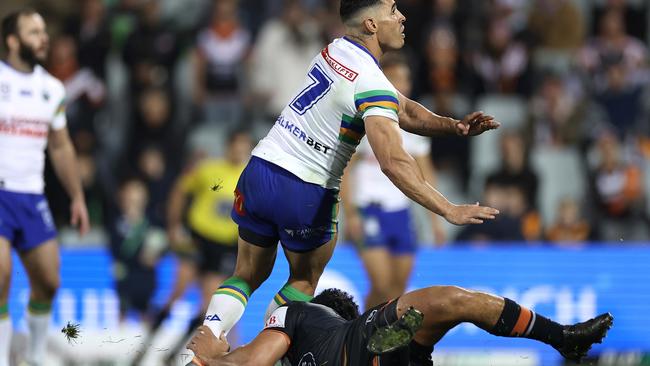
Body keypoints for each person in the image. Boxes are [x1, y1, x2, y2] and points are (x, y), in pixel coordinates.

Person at [192, 1, 500, 363]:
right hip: (306, 189)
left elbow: (404, 109)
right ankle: (256, 357)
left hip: (261, 169)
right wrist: (447, 208)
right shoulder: (371, 83)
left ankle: (206, 341)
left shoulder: (336, 50)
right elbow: (394, 162)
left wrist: (454, 126)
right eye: (393, 10)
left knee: (246, 273)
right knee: (303, 281)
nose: (401, 18)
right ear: (371, 23)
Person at [188, 287, 613, 366]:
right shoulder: (302, 317)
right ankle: (561, 338)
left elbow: (250, 361)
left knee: (434, 313)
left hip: (366, 348)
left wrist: (211, 355)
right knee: (456, 303)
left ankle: (564, 340)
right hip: (374, 346)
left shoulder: (296, 314)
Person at [0, 9, 90, 366]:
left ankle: (35, 356)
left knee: (50, 281)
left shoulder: (52, 88)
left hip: (31, 195)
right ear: (12, 40)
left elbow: (60, 145)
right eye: (33, 31)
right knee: (1, 275)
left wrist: (77, 196)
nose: (43, 37)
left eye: (43, 30)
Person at [132, 130, 252, 365]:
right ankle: (144, 347)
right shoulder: (208, 169)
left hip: (223, 246)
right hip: (197, 238)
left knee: (210, 305)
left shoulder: (250, 178)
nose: (239, 150)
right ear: (229, 146)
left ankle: (175, 351)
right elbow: (180, 190)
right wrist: (174, 225)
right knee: (177, 291)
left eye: (244, 146)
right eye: (236, 145)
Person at [341, 52, 446, 310]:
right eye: (395, 78)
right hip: (368, 209)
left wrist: (436, 220)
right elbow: (343, 169)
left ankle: (381, 343)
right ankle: (359, 337)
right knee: (381, 283)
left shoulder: (415, 127)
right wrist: (350, 213)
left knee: (398, 289)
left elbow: (426, 174)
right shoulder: (364, 122)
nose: (402, 84)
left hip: (400, 212)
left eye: (405, 79)